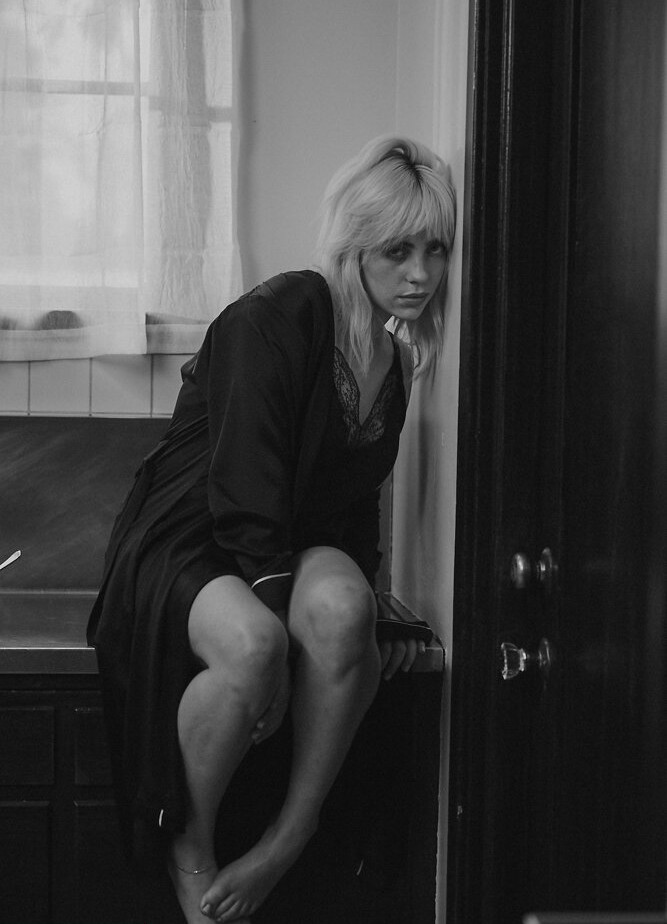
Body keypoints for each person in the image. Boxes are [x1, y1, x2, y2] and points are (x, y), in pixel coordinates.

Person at [87, 134, 456, 924]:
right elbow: (245, 482)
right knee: (256, 647)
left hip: (279, 540)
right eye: (397, 251)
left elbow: (352, 505)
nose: (421, 274)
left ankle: (290, 836)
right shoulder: (281, 313)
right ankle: (190, 849)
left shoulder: (393, 364)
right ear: (353, 248)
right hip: (189, 529)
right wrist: (285, 647)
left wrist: (370, 608)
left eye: (435, 250)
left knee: (346, 613)